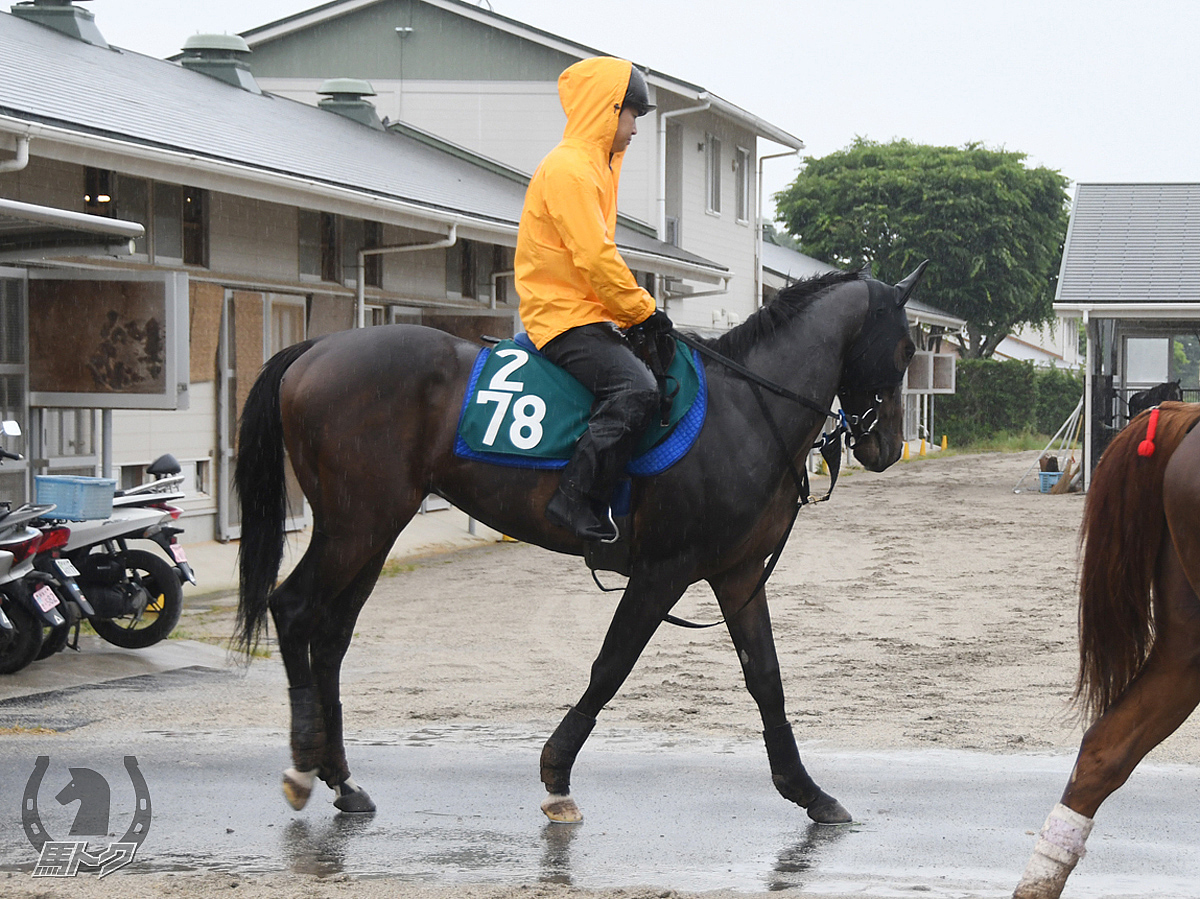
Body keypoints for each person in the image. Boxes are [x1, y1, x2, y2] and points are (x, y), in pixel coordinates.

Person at [515, 56, 672, 543]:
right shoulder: (570, 170)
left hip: (585, 314)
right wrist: (643, 311)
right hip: (561, 319)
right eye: (633, 115)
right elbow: (596, 257)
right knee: (637, 390)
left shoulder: (594, 169)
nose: (635, 129)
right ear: (609, 110)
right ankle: (574, 497)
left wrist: (636, 316)